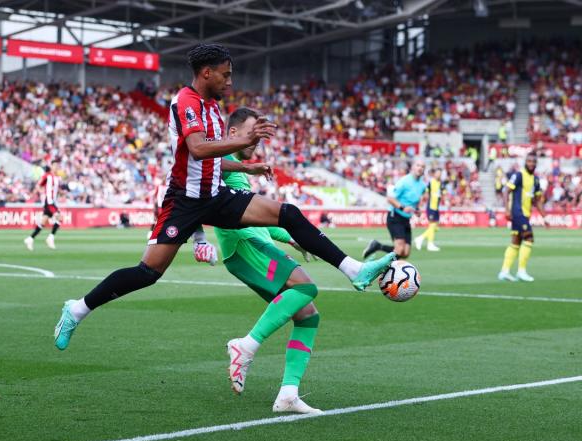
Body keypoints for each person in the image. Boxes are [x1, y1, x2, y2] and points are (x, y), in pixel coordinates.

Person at [53, 44, 394, 361]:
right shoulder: (185, 102)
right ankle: (78, 308)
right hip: (184, 201)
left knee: (286, 213)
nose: (230, 82)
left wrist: (246, 166)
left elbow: (211, 161)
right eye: (225, 75)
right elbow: (199, 149)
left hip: (214, 196)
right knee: (147, 272)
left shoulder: (213, 109)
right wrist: (244, 140)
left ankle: (354, 270)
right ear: (206, 73)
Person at [201, 108, 322, 414]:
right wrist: (197, 238)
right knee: (306, 288)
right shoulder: (221, 164)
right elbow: (190, 189)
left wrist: (290, 237)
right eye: (251, 132)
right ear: (232, 133)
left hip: (257, 243)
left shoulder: (239, 170)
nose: (256, 140)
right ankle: (246, 346)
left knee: (307, 314)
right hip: (245, 247)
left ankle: (289, 394)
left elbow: (257, 220)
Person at [362, 158, 427, 260]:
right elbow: (390, 198)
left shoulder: (422, 185)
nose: (420, 168)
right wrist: (402, 207)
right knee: (400, 249)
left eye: (422, 167)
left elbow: (417, 200)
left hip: (406, 219)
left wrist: (417, 209)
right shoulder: (404, 181)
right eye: (418, 165)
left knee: (405, 253)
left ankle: (378, 246)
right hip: (395, 216)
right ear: (413, 167)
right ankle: (382, 271)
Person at [498, 152, 548, 282]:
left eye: (533, 162)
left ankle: (504, 271)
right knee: (529, 238)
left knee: (515, 242)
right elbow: (506, 191)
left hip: (526, 213)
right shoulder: (519, 175)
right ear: (525, 162)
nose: (531, 164)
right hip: (517, 212)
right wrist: (507, 209)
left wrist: (544, 217)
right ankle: (521, 271)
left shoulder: (536, 180)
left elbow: (537, 200)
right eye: (529, 161)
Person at [24, 163, 61, 251]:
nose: (57, 167)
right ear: (51, 166)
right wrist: (42, 192)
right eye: (55, 166)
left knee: (43, 222)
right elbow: (38, 185)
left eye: (57, 166)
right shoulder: (47, 176)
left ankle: (30, 239)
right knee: (59, 217)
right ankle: (50, 238)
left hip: (53, 201)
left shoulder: (56, 178)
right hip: (49, 202)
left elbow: (56, 190)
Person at [413, 167, 442, 251]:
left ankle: (420, 238)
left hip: (436, 207)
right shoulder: (431, 182)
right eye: (437, 173)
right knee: (432, 225)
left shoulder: (439, 183)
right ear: (434, 174)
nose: (439, 175)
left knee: (435, 227)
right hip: (431, 207)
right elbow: (425, 192)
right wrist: (420, 203)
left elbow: (440, 194)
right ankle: (430, 244)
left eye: (440, 173)